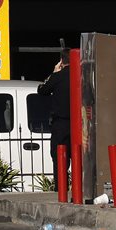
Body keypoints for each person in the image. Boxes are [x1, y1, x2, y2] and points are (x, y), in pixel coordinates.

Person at [38, 51, 71, 187]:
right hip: (79, 123)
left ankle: (61, 188)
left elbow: (42, 89)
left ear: (61, 62)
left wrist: (55, 72)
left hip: (60, 123)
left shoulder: (58, 76)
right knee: (78, 155)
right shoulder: (82, 77)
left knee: (59, 156)